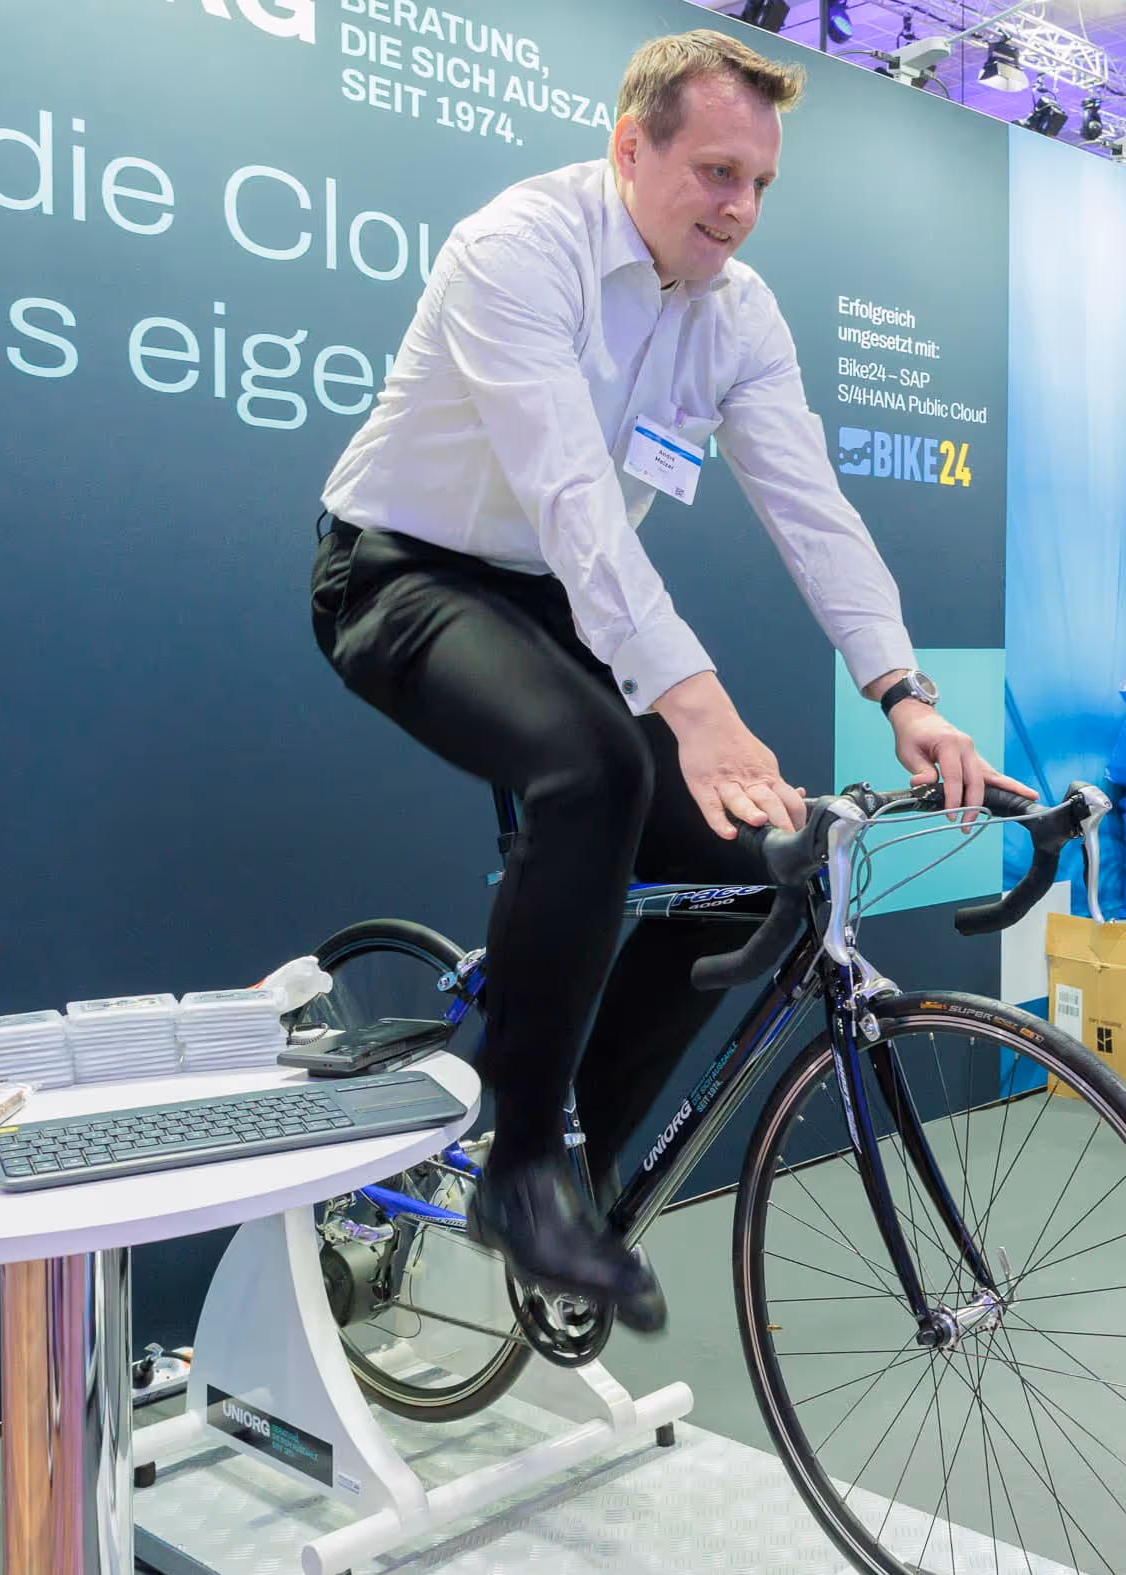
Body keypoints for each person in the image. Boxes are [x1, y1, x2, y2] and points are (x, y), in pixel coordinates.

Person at [309, 29, 1020, 1330]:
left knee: (750, 857)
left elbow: (811, 508)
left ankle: (576, 1168)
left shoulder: (740, 314)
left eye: (760, 182)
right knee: (591, 769)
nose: (739, 208)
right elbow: (572, 498)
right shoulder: (517, 250)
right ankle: (521, 1169)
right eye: (715, 172)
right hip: (401, 572)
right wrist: (695, 707)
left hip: (559, 602)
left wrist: (902, 691)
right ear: (629, 147)